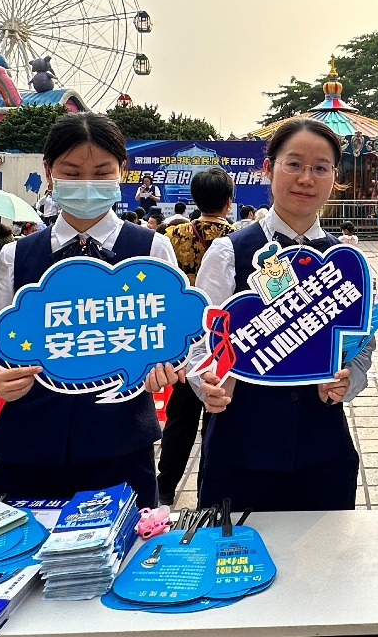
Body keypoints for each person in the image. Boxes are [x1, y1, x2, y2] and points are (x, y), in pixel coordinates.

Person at [0, 113, 177, 508]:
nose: (87, 183)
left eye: (101, 172)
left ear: (122, 171)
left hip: (121, 441)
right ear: (49, 172)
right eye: (72, 173)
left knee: (127, 543)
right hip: (29, 442)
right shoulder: (16, 255)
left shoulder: (152, 249)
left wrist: (168, 366)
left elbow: (172, 334)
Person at [190, 119, 375, 513]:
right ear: (268, 168)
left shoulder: (347, 261)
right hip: (240, 451)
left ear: (334, 177)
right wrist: (206, 381)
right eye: (294, 164)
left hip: (323, 452)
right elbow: (198, 341)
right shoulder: (230, 251)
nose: (306, 178)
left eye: (321, 167)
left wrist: (350, 380)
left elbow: (362, 345)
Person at [157, 166, 235, 505]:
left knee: (180, 419)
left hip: (184, 341)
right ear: (228, 201)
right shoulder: (238, 240)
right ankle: (210, 486)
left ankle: (165, 486)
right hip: (224, 343)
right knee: (218, 417)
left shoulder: (171, 236)